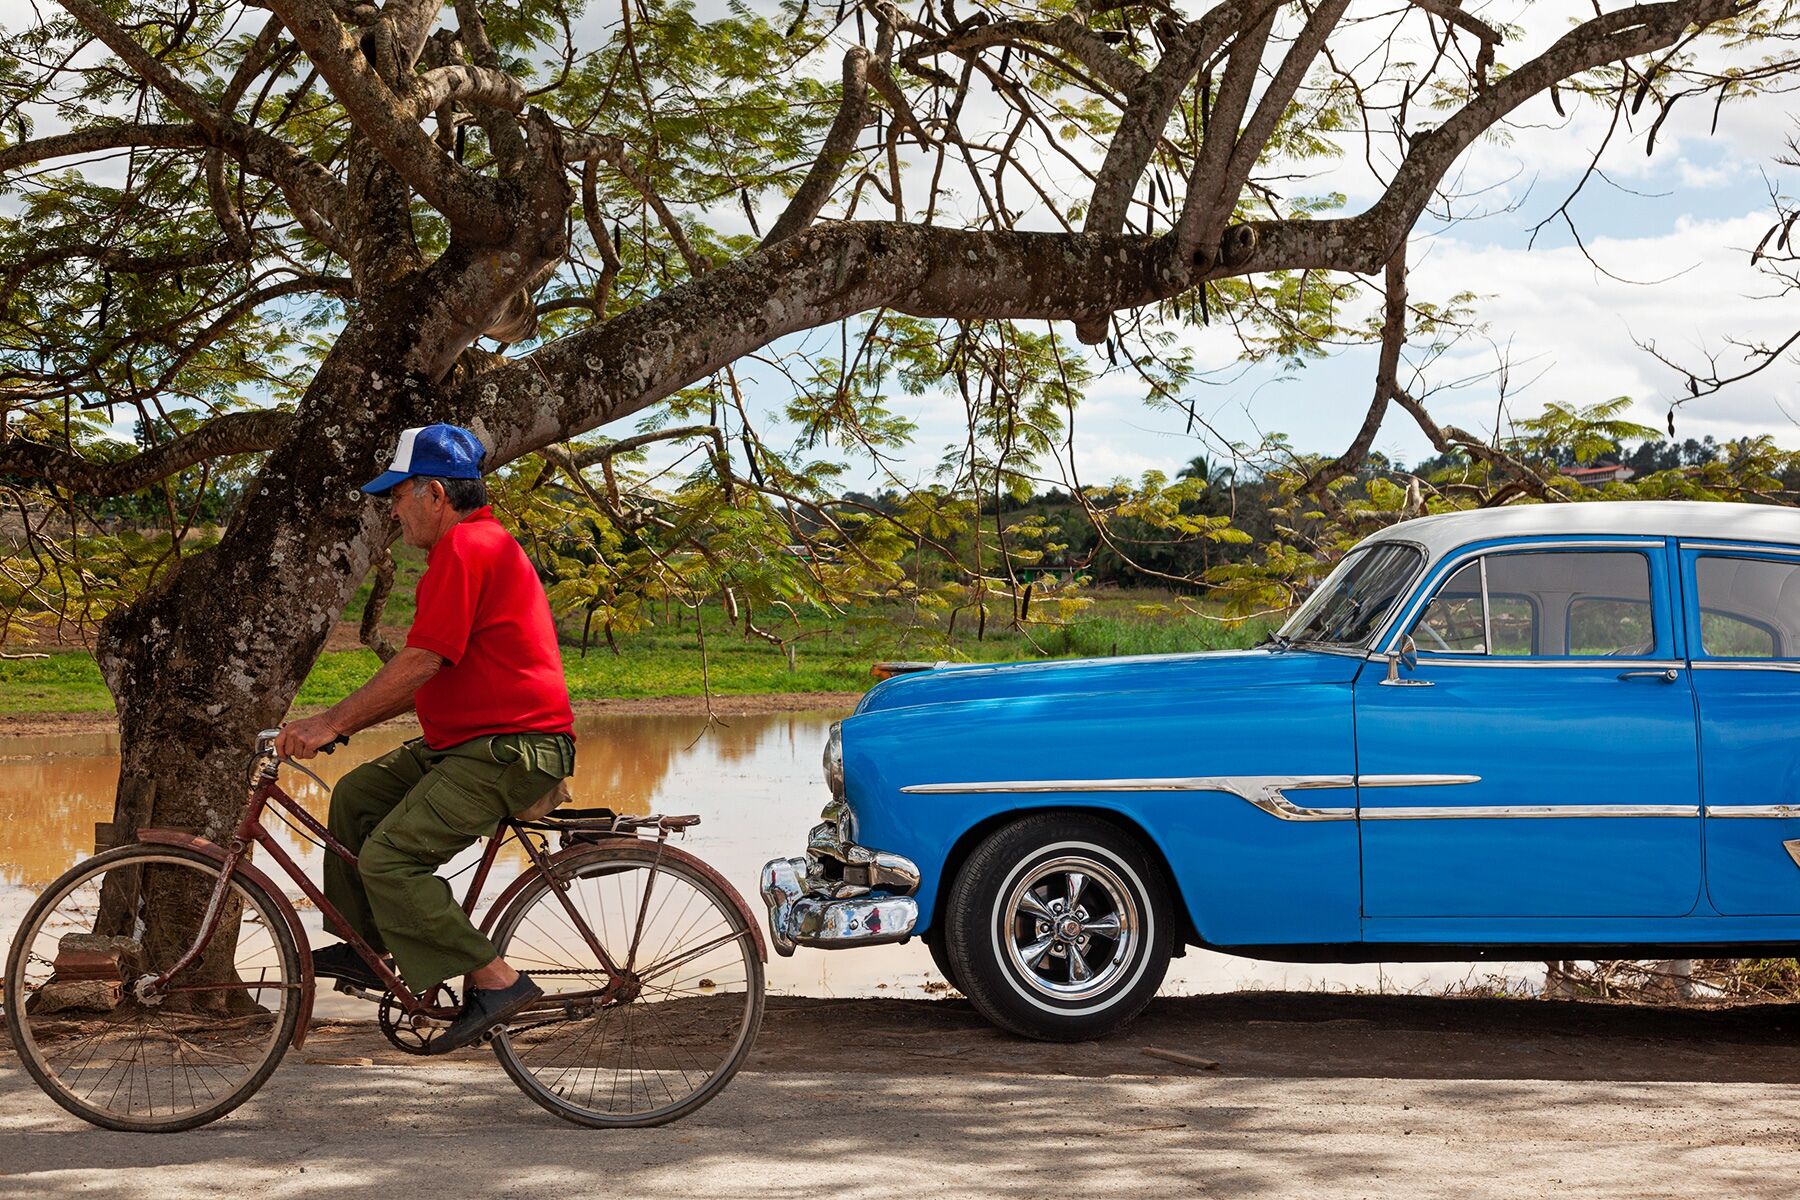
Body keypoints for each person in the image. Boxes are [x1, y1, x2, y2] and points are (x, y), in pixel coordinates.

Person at [274, 423, 576, 1054]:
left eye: (398, 494)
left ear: (435, 493)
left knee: (390, 859)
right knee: (356, 796)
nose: (392, 508)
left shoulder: (470, 550)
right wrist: (341, 723)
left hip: (510, 748)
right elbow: (428, 666)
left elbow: (422, 663)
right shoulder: (464, 550)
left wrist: (329, 723)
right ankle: (369, 946)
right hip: (469, 743)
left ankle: (497, 981)